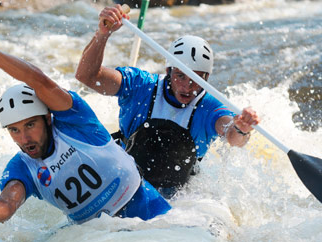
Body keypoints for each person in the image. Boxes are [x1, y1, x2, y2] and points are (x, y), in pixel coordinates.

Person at [0, 33, 171, 225]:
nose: (24, 137)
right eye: (14, 130)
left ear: (47, 118)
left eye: (30, 125)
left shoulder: (75, 120)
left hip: (150, 214)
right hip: (99, 239)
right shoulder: (23, 167)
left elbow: (37, 80)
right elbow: (7, 203)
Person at [75, 5, 261, 198]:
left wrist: (242, 128)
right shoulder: (140, 86)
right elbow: (87, 75)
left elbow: (233, 136)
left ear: (206, 79)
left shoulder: (209, 107)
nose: (187, 86)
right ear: (168, 72)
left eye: (196, 80)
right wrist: (103, 34)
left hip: (178, 198)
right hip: (126, 182)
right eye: (180, 76)